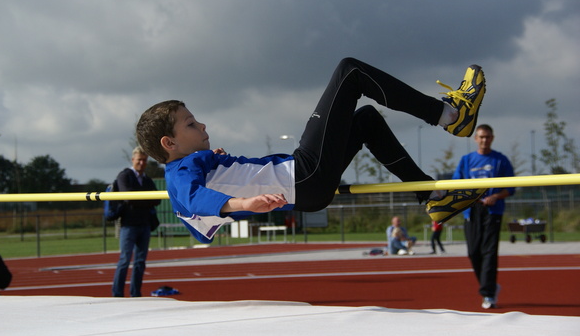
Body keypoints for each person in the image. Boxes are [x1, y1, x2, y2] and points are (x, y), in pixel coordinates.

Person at [136, 58, 487, 243]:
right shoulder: (179, 175)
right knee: (350, 71)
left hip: (305, 183)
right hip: (302, 174)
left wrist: (222, 170)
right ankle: (452, 116)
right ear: (170, 144)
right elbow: (196, 203)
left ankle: (431, 197)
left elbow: (200, 220)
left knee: (364, 120)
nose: (203, 127)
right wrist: (243, 203)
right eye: (191, 125)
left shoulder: (195, 166)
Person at [453, 124, 515, 309]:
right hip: (472, 210)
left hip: (492, 210)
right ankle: (490, 285)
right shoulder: (466, 160)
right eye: (481, 137)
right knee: (473, 252)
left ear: (492, 138)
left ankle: (488, 294)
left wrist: (495, 196)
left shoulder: (500, 160)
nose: (484, 140)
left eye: (487, 137)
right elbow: (457, 183)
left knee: (489, 252)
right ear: (475, 139)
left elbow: (511, 187)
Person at [111, 146, 161, 297]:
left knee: (140, 262)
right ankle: (117, 294)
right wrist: (145, 200)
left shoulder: (146, 179)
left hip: (144, 224)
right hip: (128, 225)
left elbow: (157, 199)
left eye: (144, 160)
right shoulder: (124, 176)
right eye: (139, 160)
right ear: (133, 160)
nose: (142, 163)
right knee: (125, 260)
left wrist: (137, 200)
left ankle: (135, 293)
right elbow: (127, 197)